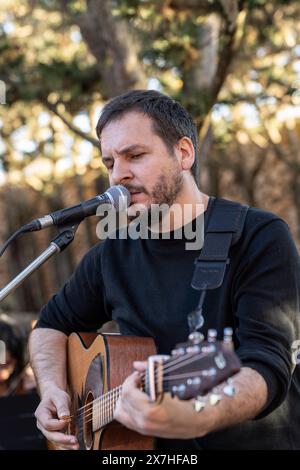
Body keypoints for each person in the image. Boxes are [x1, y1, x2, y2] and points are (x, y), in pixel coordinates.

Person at [29, 90, 300, 450]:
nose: (118, 176)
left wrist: (196, 416)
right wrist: (52, 390)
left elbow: (268, 364)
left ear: (183, 153)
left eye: (135, 156)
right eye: (109, 163)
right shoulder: (111, 254)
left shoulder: (257, 236)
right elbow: (49, 326)